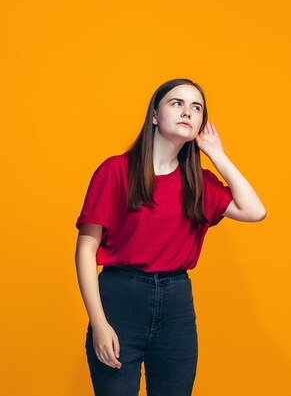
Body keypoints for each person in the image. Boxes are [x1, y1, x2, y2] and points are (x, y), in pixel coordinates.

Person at [75, 78, 266, 396]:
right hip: (121, 298)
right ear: (154, 115)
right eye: (177, 103)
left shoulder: (199, 183)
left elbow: (255, 211)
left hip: (176, 303)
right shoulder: (116, 171)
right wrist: (99, 322)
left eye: (196, 108)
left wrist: (217, 154)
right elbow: (85, 250)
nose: (187, 112)